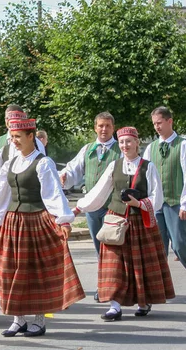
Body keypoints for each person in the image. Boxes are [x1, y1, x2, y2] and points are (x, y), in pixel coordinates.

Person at [0, 118, 84, 337]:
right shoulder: (10, 164)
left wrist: (63, 220)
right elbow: (2, 195)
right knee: (10, 271)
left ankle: (39, 320)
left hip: (35, 221)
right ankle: (18, 319)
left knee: (34, 272)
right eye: (12, 137)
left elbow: (52, 193)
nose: (14, 142)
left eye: (18, 137)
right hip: (12, 222)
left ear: (31, 137)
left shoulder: (43, 163)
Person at [74, 126, 174, 321]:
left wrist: (139, 204)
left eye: (129, 141)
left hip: (139, 221)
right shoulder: (114, 166)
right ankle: (114, 306)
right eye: (121, 142)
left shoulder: (148, 166)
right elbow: (99, 191)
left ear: (137, 142)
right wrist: (79, 207)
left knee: (140, 264)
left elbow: (157, 197)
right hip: (116, 220)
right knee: (114, 265)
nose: (125, 145)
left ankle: (144, 301)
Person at [59, 112, 120, 301]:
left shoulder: (120, 148)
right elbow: (73, 169)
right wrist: (64, 177)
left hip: (113, 206)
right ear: (95, 128)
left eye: (107, 126)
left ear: (113, 128)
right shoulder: (88, 149)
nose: (104, 129)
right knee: (98, 248)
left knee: (114, 248)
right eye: (100, 126)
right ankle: (103, 285)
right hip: (93, 207)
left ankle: (115, 287)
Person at [143, 106, 186, 268]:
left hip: (175, 202)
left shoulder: (182, 145)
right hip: (156, 204)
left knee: (180, 244)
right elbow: (145, 176)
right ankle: (160, 288)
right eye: (154, 124)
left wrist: (185, 203)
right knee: (157, 247)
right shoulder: (150, 148)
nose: (157, 127)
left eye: (159, 123)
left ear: (170, 121)